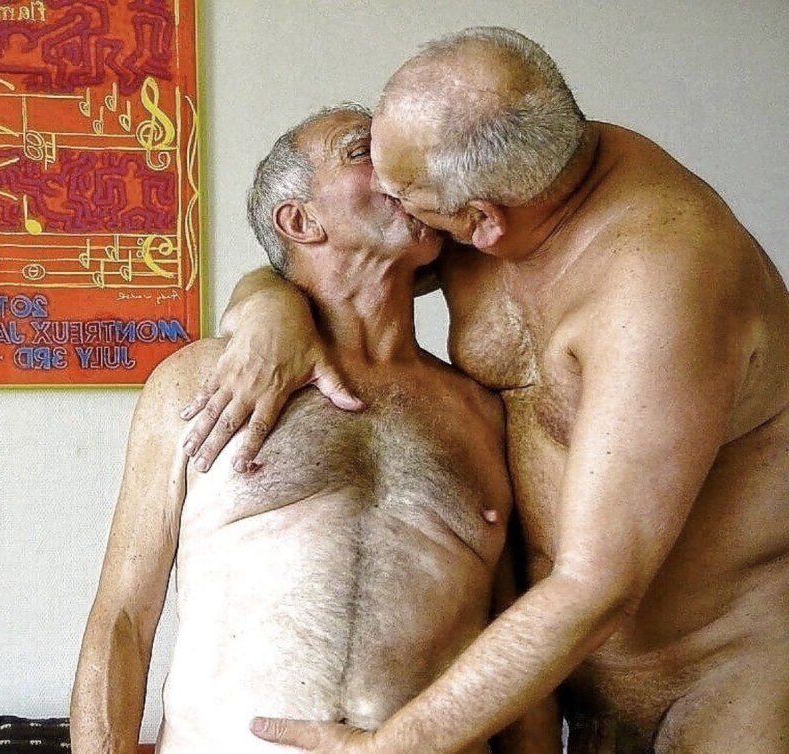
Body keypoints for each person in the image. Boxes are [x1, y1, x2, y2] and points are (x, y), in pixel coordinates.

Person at [181, 26, 789, 754]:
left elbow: (599, 584)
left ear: (482, 222)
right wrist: (263, 307)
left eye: (401, 193)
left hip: (716, 671)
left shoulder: (662, 287)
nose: (387, 196)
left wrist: (392, 746)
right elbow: (333, 262)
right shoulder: (510, 175)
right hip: (545, 678)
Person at [70, 103, 562, 754]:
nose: (401, 164)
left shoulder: (484, 412)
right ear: (299, 221)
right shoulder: (196, 382)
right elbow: (123, 622)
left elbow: (518, 640)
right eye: (363, 150)